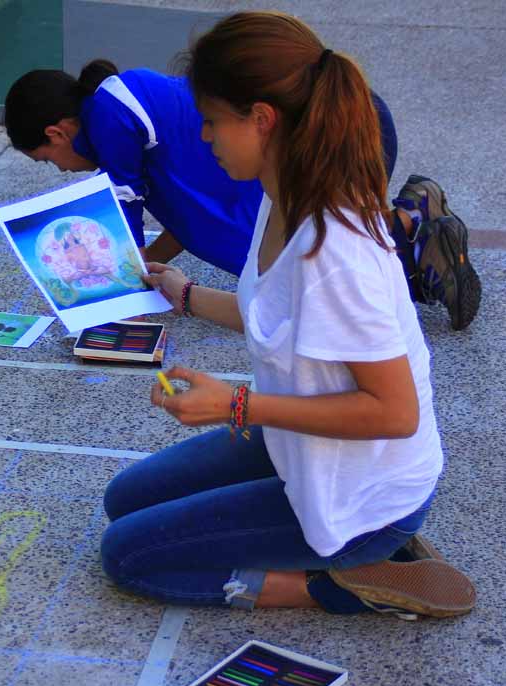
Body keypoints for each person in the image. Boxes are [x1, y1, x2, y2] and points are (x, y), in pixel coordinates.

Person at [99, 11, 477, 619]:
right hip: (300, 442)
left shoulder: (335, 250)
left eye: (212, 121)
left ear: (262, 120)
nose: (204, 138)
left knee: (126, 555)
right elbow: (274, 315)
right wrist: (186, 293)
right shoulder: (281, 197)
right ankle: (343, 552)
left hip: (360, 494)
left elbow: (395, 411)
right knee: (126, 499)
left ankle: (341, 582)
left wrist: (235, 406)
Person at [4, 58, 481, 330]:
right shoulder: (126, 120)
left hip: (340, 135)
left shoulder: (110, 114)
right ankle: (413, 233)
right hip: (344, 131)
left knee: (319, 273)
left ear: (59, 131)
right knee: (326, 273)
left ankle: (408, 222)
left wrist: (118, 289)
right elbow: (191, 219)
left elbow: (122, 206)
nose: (61, 171)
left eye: (49, 159)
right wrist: (147, 261)